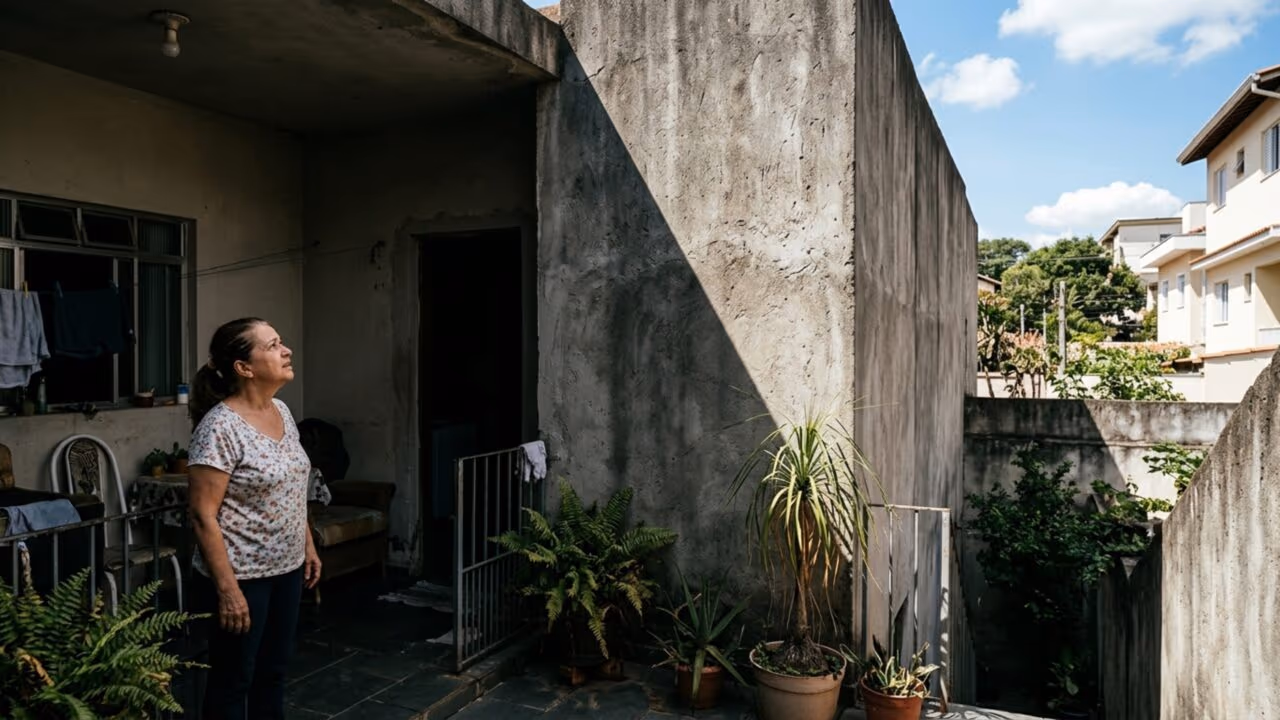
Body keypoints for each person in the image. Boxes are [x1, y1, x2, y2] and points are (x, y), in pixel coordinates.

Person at [187, 317, 321, 720]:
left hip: (287, 569)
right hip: (242, 577)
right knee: (233, 681)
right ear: (244, 368)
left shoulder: (281, 409)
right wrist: (228, 591)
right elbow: (201, 514)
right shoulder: (220, 427)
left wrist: (308, 546)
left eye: (282, 342)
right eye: (274, 345)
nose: (286, 351)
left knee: (273, 674)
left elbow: (293, 487)